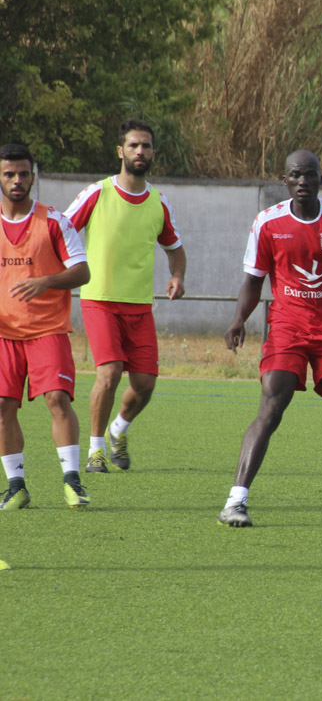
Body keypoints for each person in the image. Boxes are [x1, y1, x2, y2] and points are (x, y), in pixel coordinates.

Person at [218, 149, 322, 527]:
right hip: (288, 328)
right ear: (285, 180)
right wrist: (239, 320)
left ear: (321, 178)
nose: (303, 181)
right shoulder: (267, 224)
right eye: (295, 175)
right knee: (271, 408)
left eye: (310, 174)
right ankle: (235, 501)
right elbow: (253, 280)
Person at [64, 119, 186, 473]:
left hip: (139, 307)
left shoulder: (159, 204)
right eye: (133, 145)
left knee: (145, 384)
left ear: (153, 154)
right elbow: (61, 230)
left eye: (146, 146)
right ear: (120, 151)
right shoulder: (97, 193)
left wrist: (177, 275)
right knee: (110, 373)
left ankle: (119, 429)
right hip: (99, 300)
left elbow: (175, 248)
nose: (140, 151)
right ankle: (95, 451)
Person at [0, 144, 92, 510]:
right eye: (9, 174)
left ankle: (72, 482)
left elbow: (82, 271)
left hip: (47, 330)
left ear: (33, 176)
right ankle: (16, 486)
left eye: (23, 173)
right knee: (3, 406)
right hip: (3, 334)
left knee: (57, 399)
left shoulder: (54, 221)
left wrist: (45, 281)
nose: (17, 180)